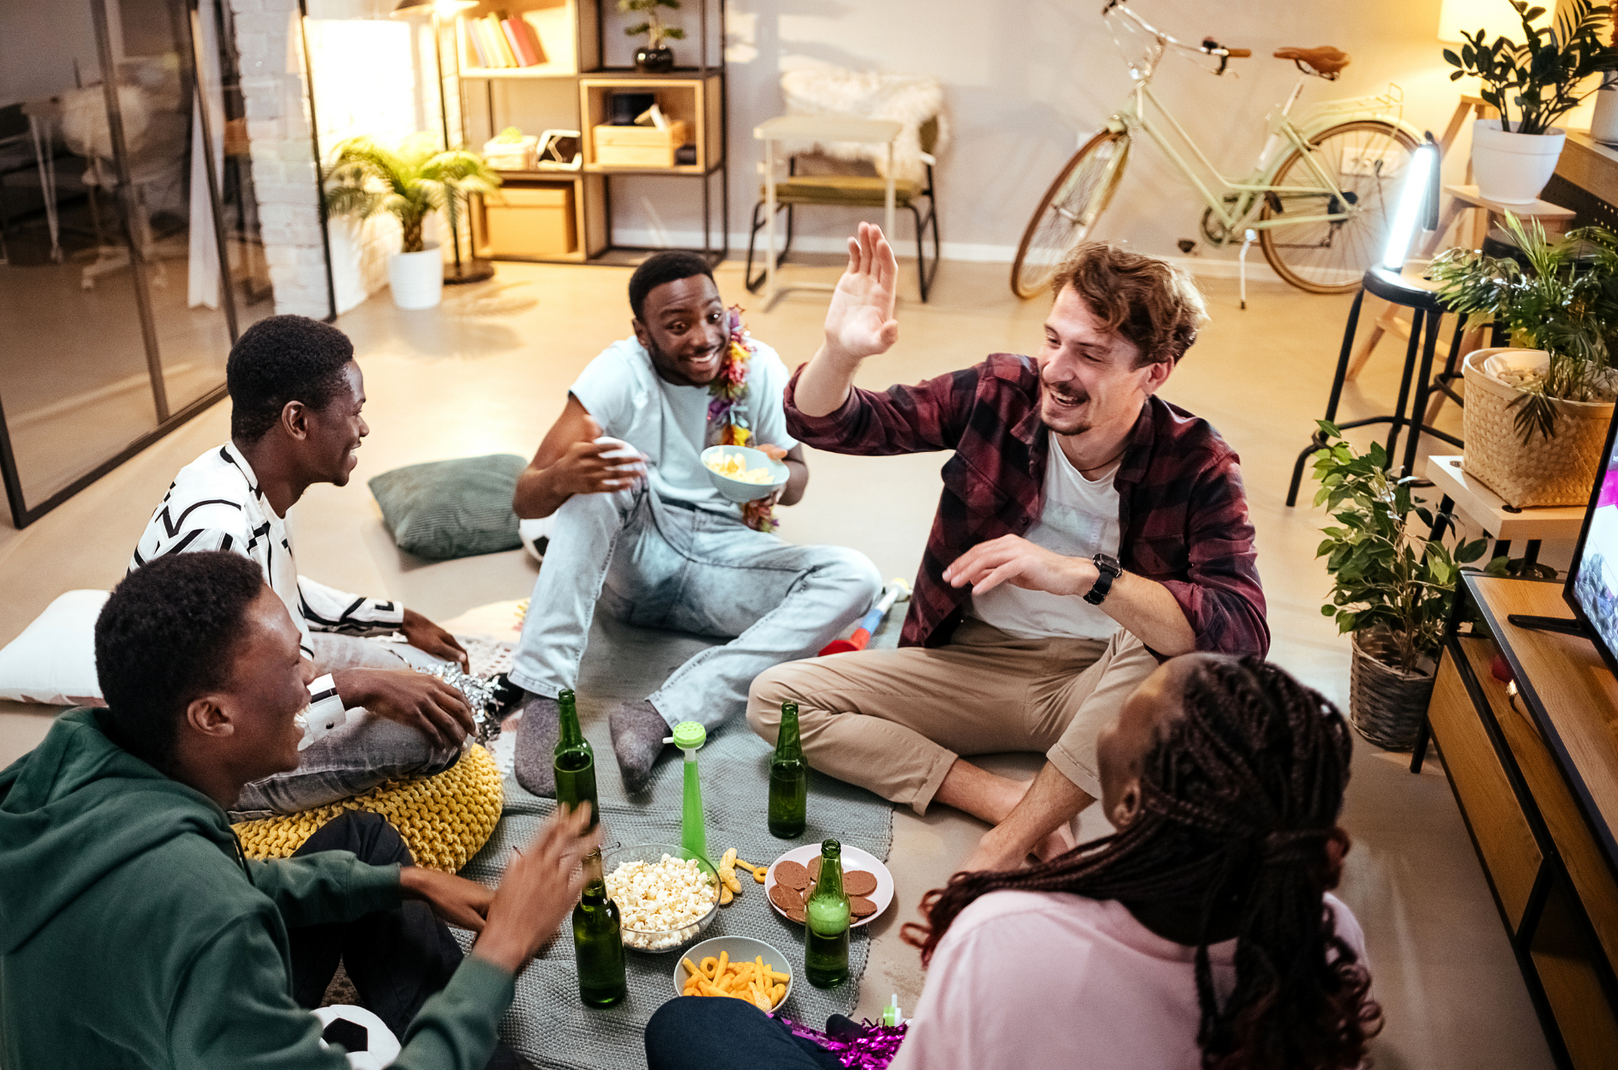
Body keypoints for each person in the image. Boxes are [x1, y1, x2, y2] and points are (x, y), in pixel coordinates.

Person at [0, 551, 600, 1070]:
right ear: (213, 716)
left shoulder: (100, 764)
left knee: (364, 847)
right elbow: (210, 907)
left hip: (167, 1025)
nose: (313, 678)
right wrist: (501, 953)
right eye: (289, 665)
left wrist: (407, 880)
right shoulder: (209, 918)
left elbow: (231, 883)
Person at [748, 225, 1267, 870]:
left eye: (1091, 354)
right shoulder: (1002, 391)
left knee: (1170, 649)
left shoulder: (1199, 461)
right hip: (975, 662)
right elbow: (836, 422)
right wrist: (838, 353)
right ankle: (1006, 801)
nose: (1057, 370)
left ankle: (1007, 841)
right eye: (1053, 340)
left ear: (1153, 372)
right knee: (776, 699)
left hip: (1100, 676)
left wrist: (1086, 577)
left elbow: (1241, 632)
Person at [648, 655, 1382, 1070]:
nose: (1112, 715)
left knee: (691, 1029)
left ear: (1128, 803)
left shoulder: (1007, 932)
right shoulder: (1326, 932)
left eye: (1125, 713)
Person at [507, 250, 880, 795]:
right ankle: (542, 690)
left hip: (723, 563)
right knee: (604, 468)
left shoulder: (757, 367)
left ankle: (660, 714)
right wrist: (566, 475)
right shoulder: (618, 371)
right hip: (637, 561)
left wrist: (775, 476)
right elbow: (525, 499)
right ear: (643, 333)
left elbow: (798, 480)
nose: (704, 338)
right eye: (677, 327)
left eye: (713, 316)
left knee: (857, 576)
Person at [133, 314, 478, 815]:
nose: (363, 429)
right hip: (217, 758)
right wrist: (357, 686)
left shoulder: (236, 477)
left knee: (426, 681)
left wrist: (400, 619)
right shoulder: (217, 529)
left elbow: (281, 595)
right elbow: (232, 719)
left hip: (271, 676)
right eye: (354, 412)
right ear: (298, 421)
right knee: (434, 735)